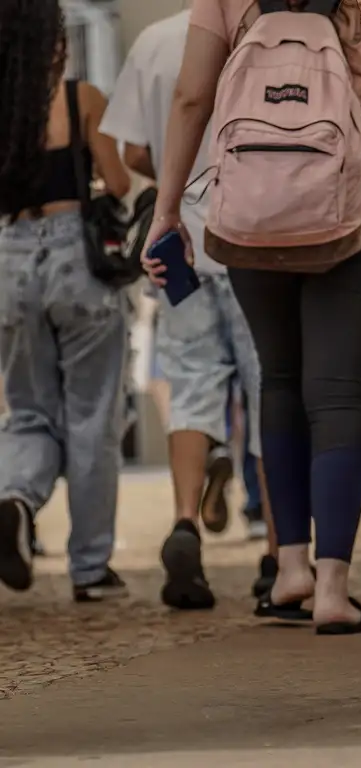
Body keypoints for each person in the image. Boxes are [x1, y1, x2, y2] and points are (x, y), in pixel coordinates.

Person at [143, 0, 361, 633]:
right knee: (341, 390)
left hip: (251, 204)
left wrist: (167, 209)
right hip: (353, 201)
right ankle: (333, 587)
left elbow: (190, 99)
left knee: (280, 378)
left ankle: (290, 568)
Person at [101, 4, 273, 611]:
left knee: (192, 387)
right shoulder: (265, 28)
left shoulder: (151, 41)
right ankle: (278, 553)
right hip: (255, 238)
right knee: (267, 392)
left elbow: (134, 152)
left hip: (181, 249)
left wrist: (173, 181)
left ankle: (184, 525)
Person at [0, 0, 131, 602]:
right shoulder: (83, 100)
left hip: (12, 258)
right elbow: (120, 181)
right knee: (91, 416)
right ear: (55, 38)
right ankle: (89, 567)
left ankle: (16, 499)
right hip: (77, 260)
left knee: (28, 413)